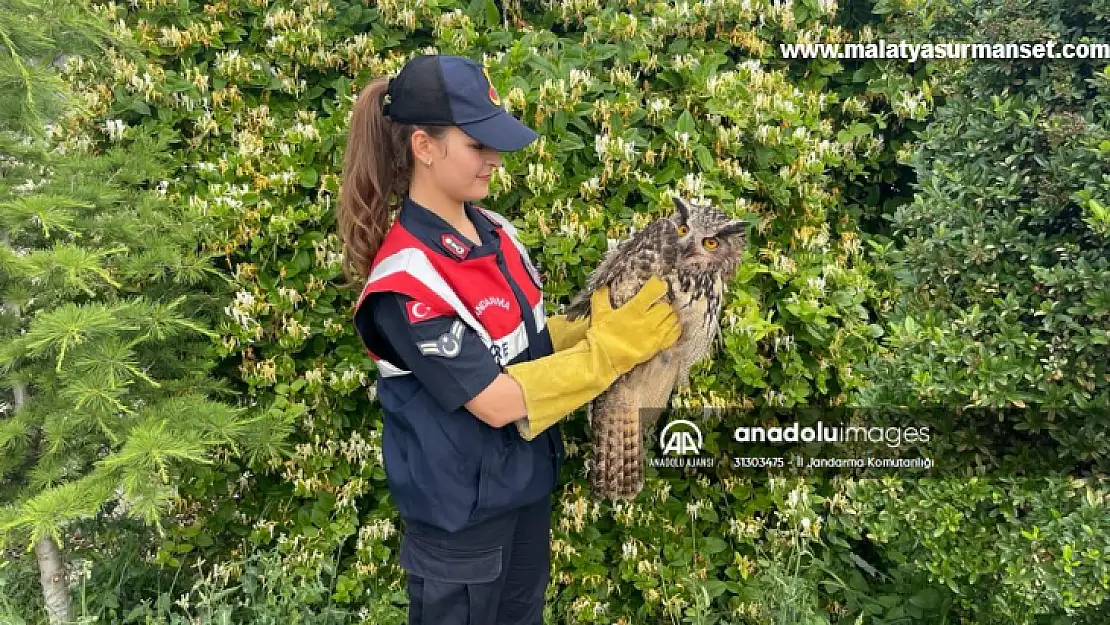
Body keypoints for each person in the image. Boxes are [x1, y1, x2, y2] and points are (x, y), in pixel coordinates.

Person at [337, 54, 682, 625]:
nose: (494, 159)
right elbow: (497, 400)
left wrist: (596, 325)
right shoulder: (405, 283)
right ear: (424, 146)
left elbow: (529, 345)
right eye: (477, 145)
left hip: (523, 495)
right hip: (461, 527)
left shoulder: (498, 235)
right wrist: (613, 348)